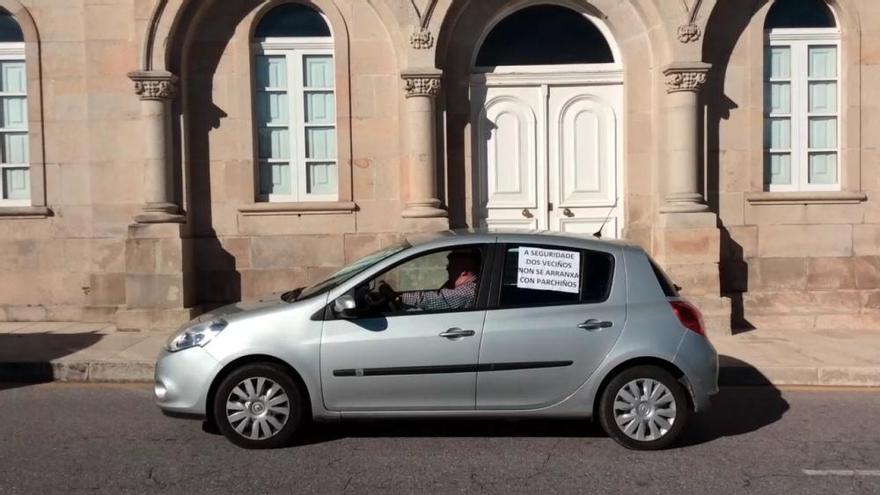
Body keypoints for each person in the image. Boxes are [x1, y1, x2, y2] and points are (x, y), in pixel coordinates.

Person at [379, 249, 480, 311]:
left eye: (452, 266)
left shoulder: (469, 291)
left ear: (464, 271)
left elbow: (438, 299)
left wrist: (397, 297)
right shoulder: (459, 287)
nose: (447, 268)